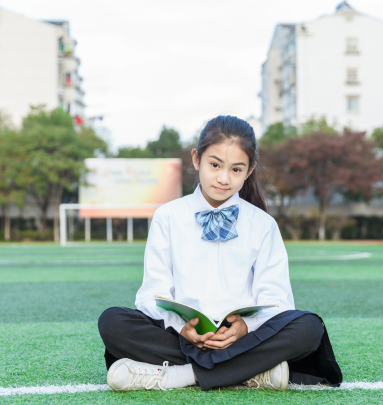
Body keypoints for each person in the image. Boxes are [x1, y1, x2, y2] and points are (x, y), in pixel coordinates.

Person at [98, 115, 342, 392]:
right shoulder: (168, 216)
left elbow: (277, 299)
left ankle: (184, 375)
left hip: (244, 338)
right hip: (182, 336)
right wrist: (182, 329)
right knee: (113, 322)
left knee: (309, 328)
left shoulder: (262, 224)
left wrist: (246, 328)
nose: (224, 178)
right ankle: (249, 372)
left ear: (249, 171)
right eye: (215, 165)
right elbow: (152, 294)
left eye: (236, 169)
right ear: (196, 159)